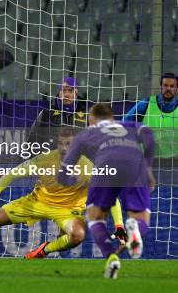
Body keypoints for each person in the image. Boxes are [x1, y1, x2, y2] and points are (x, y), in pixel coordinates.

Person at [0, 128, 125, 259]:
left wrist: (119, 225)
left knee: (77, 236)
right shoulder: (45, 160)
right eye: (61, 143)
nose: (65, 148)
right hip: (37, 202)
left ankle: (44, 250)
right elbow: (14, 173)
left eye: (69, 144)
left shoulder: (88, 168)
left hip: (68, 210)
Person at [59, 103, 155, 279]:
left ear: (92, 120)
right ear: (112, 118)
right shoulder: (130, 125)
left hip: (105, 165)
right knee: (141, 217)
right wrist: (148, 167)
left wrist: (70, 181)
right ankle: (135, 230)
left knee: (96, 217)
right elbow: (148, 134)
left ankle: (111, 256)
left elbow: (64, 170)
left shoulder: (87, 134)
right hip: (135, 163)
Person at [124, 72, 177, 159]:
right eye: (165, 85)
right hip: (148, 162)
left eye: (172, 86)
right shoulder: (146, 104)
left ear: (176, 88)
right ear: (161, 87)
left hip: (174, 163)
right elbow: (124, 123)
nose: (168, 88)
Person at [28, 77, 88, 145]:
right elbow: (32, 141)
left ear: (76, 92)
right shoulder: (46, 113)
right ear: (59, 92)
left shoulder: (87, 114)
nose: (66, 95)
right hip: (53, 154)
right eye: (63, 90)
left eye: (70, 90)